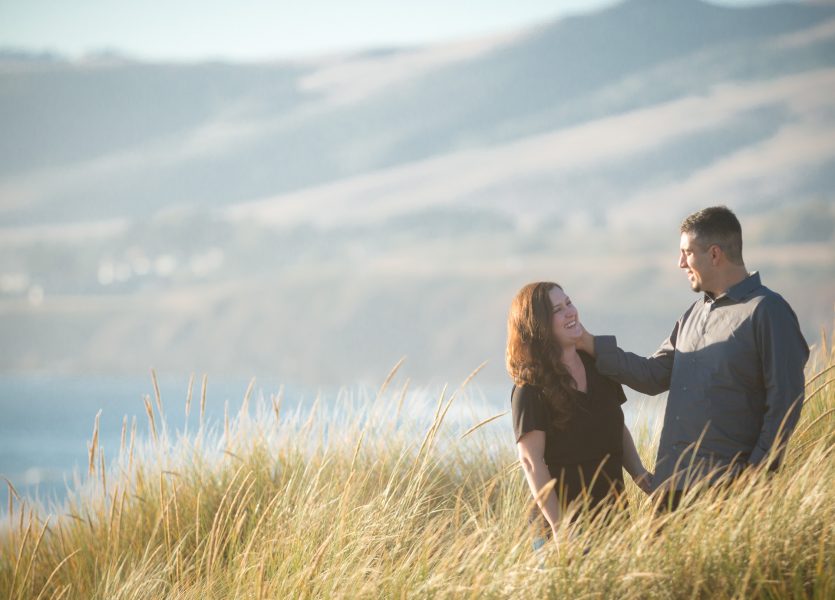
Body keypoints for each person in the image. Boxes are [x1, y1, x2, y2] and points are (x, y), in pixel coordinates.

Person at [577, 206, 809, 510]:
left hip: (726, 491)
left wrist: (755, 476)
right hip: (670, 486)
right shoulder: (693, 315)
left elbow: (785, 402)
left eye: (687, 253)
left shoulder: (767, 311)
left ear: (714, 254)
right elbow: (652, 375)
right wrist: (587, 342)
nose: (680, 263)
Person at [507, 281, 652, 543]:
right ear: (538, 324)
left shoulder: (598, 366)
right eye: (558, 310)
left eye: (569, 303)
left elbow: (615, 426)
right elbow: (531, 462)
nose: (570, 312)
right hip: (561, 527)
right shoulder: (530, 389)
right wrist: (560, 527)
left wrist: (639, 473)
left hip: (613, 516)